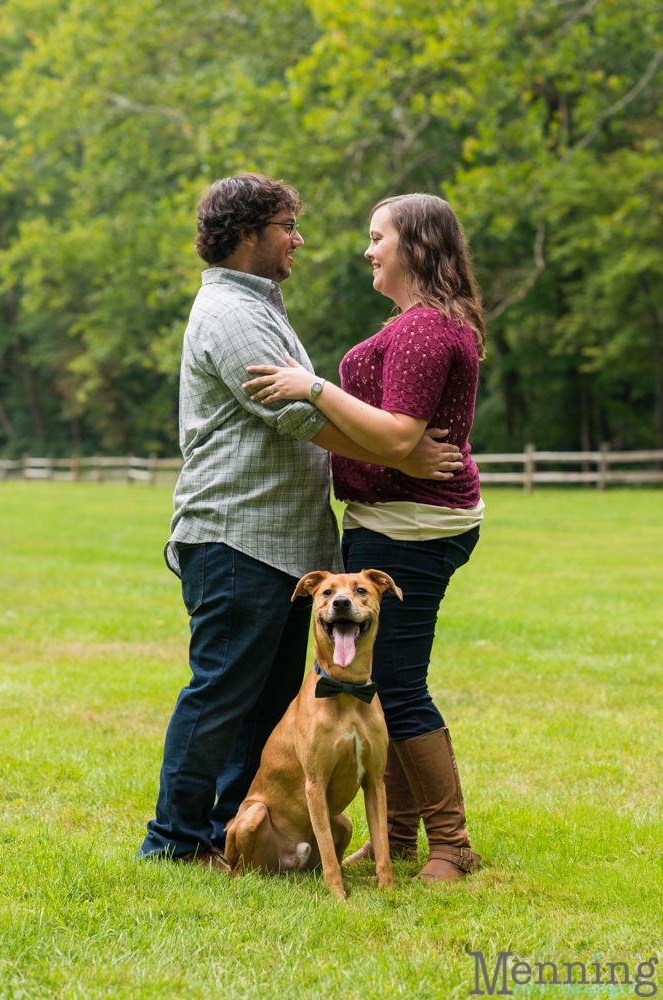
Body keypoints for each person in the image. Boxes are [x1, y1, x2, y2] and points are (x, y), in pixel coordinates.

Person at [137, 174, 463, 868]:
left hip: (283, 544)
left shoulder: (260, 304)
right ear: (249, 233)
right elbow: (296, 415)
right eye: (288, 224)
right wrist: (397, 449)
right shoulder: (229, 312)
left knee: (265, 703)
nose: (299, 237)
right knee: (221, 690)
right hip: (236, 535)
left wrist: (389, 444)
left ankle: (236, 831)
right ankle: (172, 841)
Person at [242, 192, 486, 882]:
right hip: (402, 518)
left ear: (415, 245)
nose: (367, 248)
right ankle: (398, 839)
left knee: (398, 688)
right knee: (388, 684)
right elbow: (397, 433)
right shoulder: (425, 323)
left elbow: (400, 435)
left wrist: (311, 387)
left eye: (377, 236)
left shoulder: (421, 329)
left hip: (408, 527)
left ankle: (450, 844)